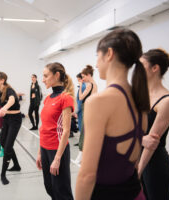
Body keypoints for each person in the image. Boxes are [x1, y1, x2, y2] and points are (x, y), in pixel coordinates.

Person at [75, 28, 150, 200]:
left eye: (97, 56)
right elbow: (134, 164)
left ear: (109, 53)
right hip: (135, 193)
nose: (95, 64)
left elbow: (87, 175)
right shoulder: (141, 101)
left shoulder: (98, 102)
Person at [138, 48, 169, 200]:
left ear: (155, 68)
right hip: (138, 158)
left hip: (154, 165)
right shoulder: (142, 94)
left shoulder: (167, 101)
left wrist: (138, 171)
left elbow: (151, 143)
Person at [36, 62, 75, 200]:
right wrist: (40, 153)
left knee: (62, 192)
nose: (43, 79)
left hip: (57, 150)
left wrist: (57, 158)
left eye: (46, 76)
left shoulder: (65, 98)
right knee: (50, 188)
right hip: (45, 149)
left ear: (56, 75)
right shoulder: (47, 98)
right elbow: (43, 127)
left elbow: (66, 130)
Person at [76, 65, 98, 165]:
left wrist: (80, 86)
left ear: (89, 75)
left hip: (87, 108)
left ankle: (81, 154)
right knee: (87, 131)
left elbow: (80, 97)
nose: (83, 79)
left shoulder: (89, 85)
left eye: (83, 76)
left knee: (84, 131)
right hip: (91, 108)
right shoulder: (95, 85)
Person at [74, 73, 86, 145]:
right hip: (80, 109)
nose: (78, 81)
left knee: (81, 126)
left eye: (79, 79)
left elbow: (80, 100)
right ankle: (81, 141)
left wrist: (77, 111)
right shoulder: (81, 87)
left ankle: (82, 142)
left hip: (81, 110)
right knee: (80, 126)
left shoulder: (83, 87)